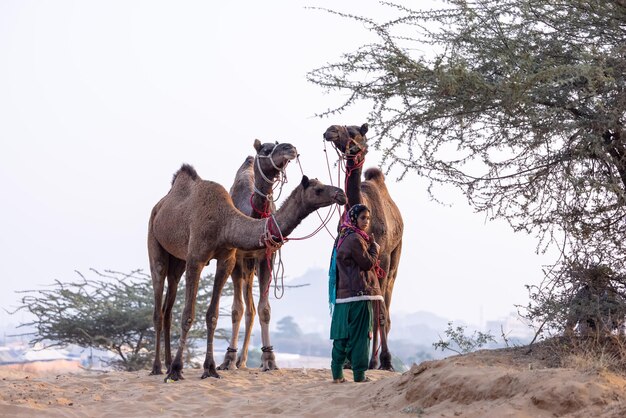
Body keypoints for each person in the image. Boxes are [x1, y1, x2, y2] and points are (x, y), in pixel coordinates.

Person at [328, 204, 383, 383]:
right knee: (361, 337)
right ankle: (359, 376)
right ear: (354, 219)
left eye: (368, 218)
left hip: (343, 296)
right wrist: (374, 248)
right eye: (362, 218)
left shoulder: (342, 237)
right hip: (359, 295)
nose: (366, 222)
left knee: (341, 335)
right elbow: (367, 263)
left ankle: (337, 375)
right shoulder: (355, 239)